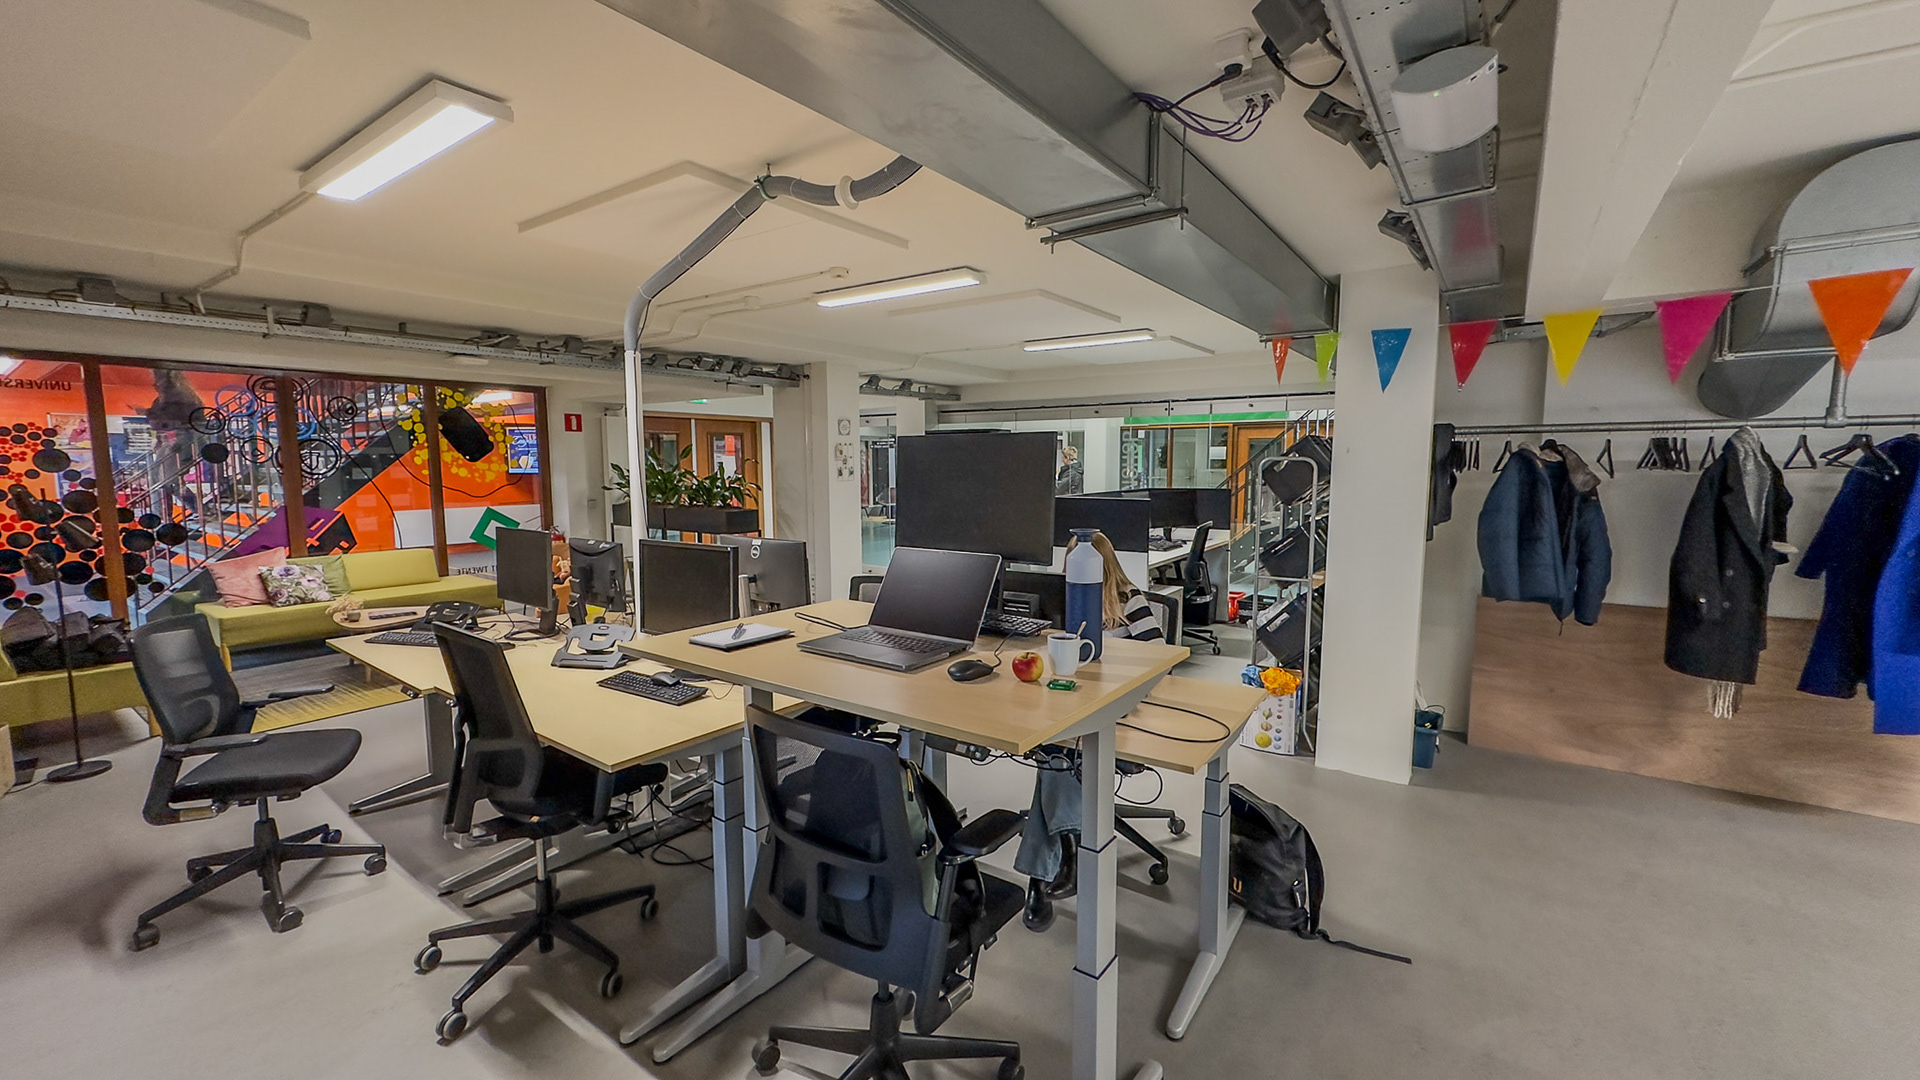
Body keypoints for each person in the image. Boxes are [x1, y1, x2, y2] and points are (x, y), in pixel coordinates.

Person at [1013, 530, 1163, 929]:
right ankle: (1067, 848)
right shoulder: (1065, 601)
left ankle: (1043, 874)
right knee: (1056, 750)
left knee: (1056, 759)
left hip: (1119, 711)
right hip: (1068, 701)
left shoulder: (1131, 602)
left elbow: (1161, 660)